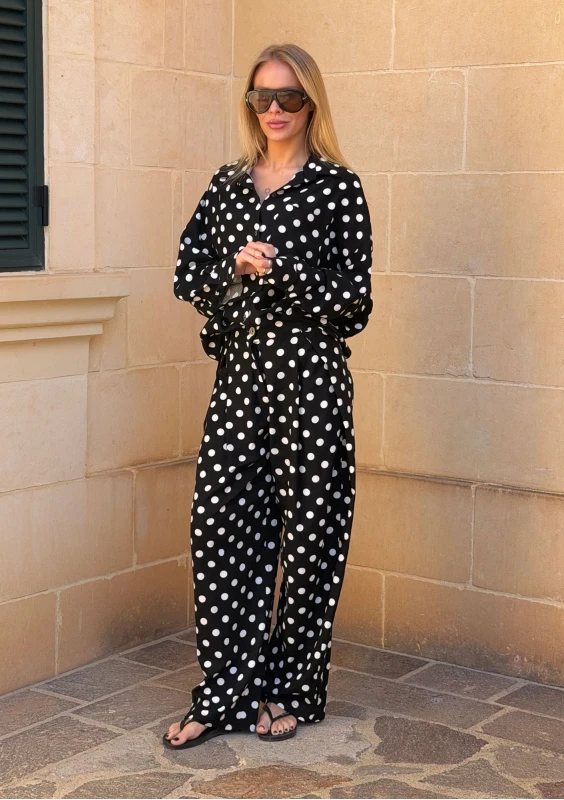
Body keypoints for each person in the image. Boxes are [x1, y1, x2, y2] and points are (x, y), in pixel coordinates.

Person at [163, 42, 373, 749]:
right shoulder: (226, 185)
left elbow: (355, 302)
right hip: (240, 383)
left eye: (289, 97)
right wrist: (234, 266)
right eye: (262, 97)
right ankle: (225, 692)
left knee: (311, 539)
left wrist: (282, 272)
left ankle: (287, 690)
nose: (275, 109)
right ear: (249, 104)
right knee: (220, 531)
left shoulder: (338, 188)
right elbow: (187, 275)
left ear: (311, 103)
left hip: (311, 383)